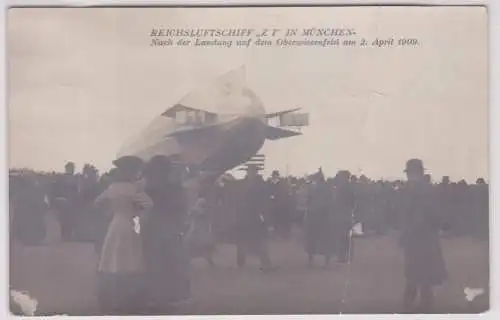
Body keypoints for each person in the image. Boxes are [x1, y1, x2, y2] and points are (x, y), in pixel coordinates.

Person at [94, 156, 153, 315]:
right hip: (129, 224)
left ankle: (113, 297)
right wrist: (138, 215)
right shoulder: (134, 189)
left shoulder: (112, 187)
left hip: (114, 224)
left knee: (112, 259)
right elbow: (149, 205)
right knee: (131, 260)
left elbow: (97, 202)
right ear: (132, 172)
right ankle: (129, 298)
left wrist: (110, 212)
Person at [141, 155, 191, 313]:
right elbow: (181, 209)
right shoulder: (175, 188)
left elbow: (141, 210)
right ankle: (165, 298)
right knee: (168, 265)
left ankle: (153, 297)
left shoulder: (148, 188)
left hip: (151, 228)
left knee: (152, 264)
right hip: (169, 230)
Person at [399, 159, 447, 312]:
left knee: (416, 273)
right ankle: (422, 304)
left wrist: (406, 232)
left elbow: (415, 214)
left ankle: (412, 306)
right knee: (423, 273)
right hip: (424, 237)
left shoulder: (414, 190)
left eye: (410, 173)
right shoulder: (425, 189)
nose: (409, 177)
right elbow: (435, 213)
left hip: (417, 237)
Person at [234, 164, 275, 272]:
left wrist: (264, 215)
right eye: (250, 171)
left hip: (255, 216)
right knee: (242, 240)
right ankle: (241, 263)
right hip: (243, 216)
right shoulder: (242, 184)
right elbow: (238, 198)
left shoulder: (261, 185)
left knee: (259, 240)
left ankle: (265, 263)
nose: (251, 173)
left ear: (256, 173)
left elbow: (265, 201)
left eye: (253, 171)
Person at [305, 168, 335, 267]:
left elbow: (308, 201)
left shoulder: (313, 188)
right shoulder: (328, 188)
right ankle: (326, 261)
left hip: (315, 216)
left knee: (312, 238)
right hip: (324, 216)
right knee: (325, 239)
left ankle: (311, 260)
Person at [332, 170, 355, 263]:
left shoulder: (341, 188)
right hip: (346, 214)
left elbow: (336, 201)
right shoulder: (349, 187)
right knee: (345, 236)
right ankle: (346, 256)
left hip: (342, 214)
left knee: (343, 236)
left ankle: (343, 256)